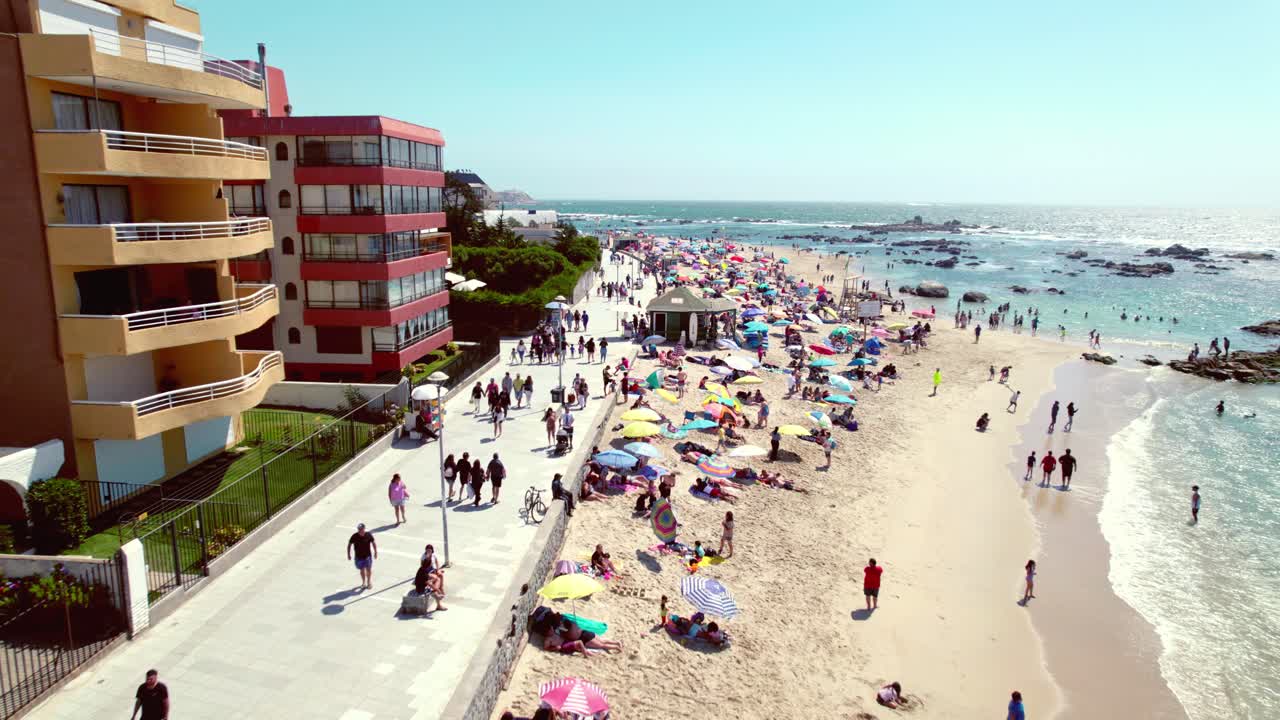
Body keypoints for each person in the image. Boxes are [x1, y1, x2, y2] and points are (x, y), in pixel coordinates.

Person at [347, 523, 377, 589]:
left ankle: (369, 582)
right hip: (358, 557)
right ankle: (363, 582)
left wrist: (375, 552)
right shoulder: (354, 536)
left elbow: (373, 543)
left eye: (361, 529)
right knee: (362, 570)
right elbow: (349, 545)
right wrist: (348, 554)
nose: (360, 530)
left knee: (368, 569)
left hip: (367, 557)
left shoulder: (368, 535)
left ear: (364, 529)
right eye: (359, 529)